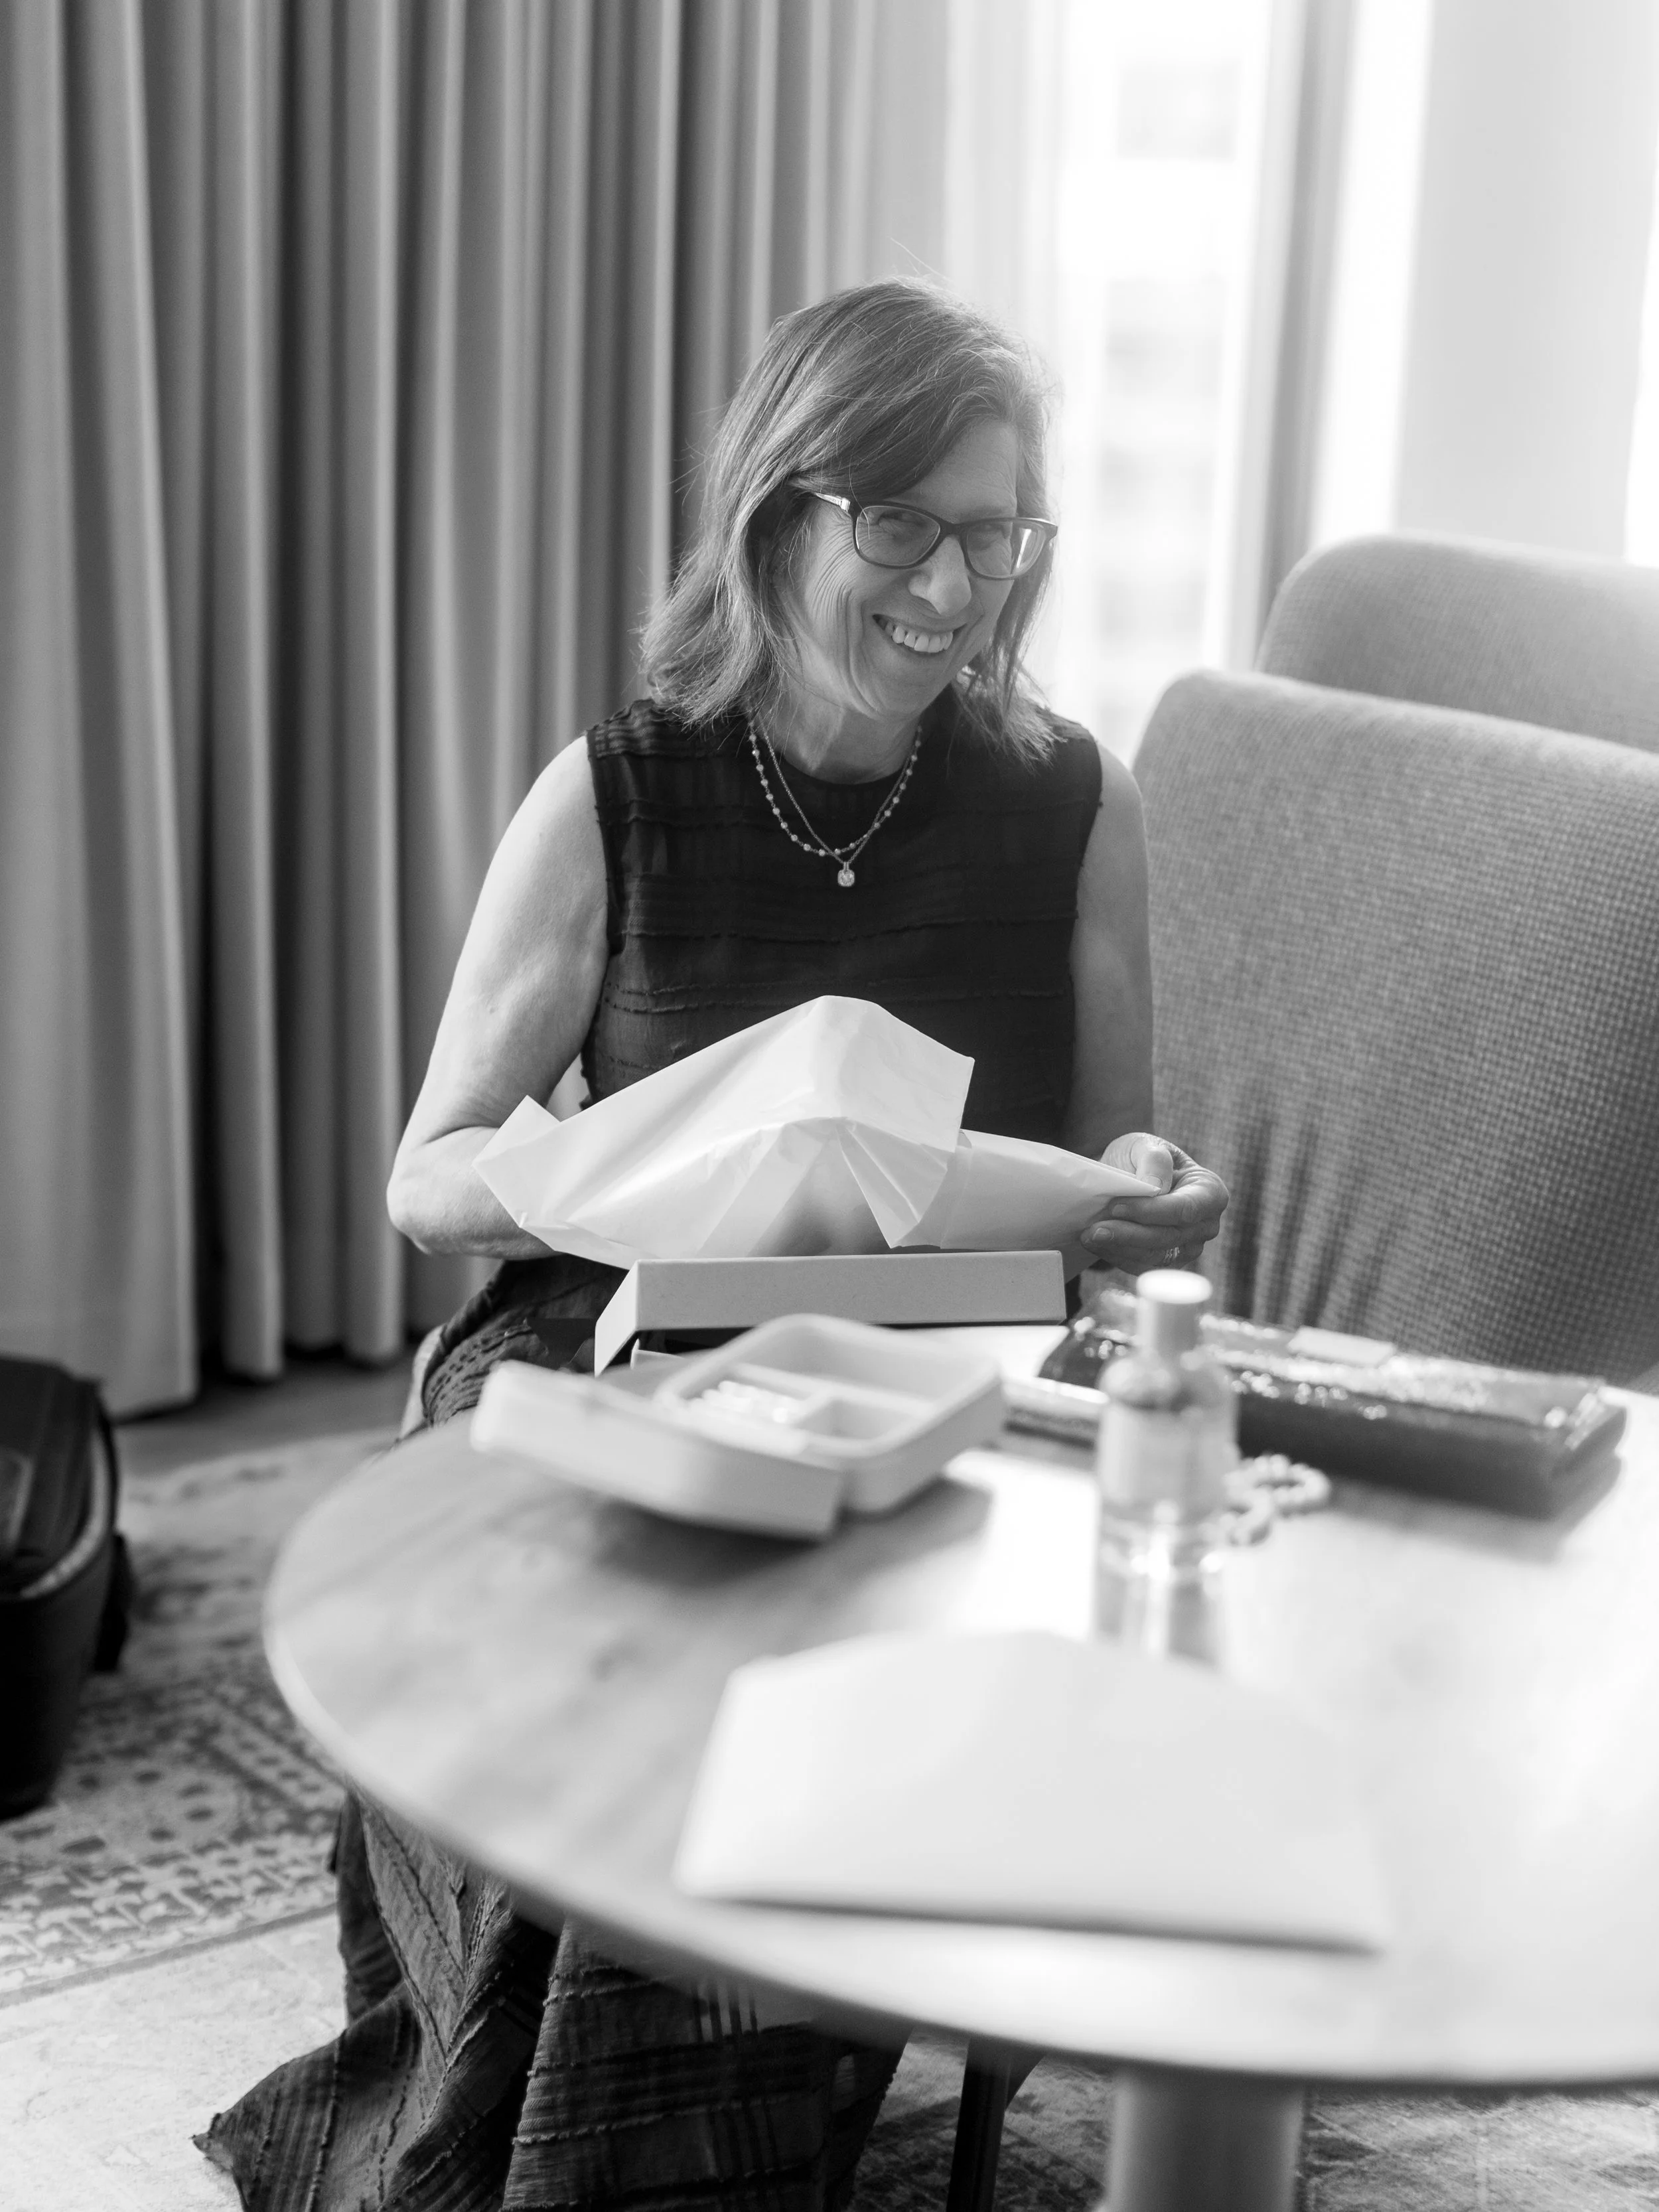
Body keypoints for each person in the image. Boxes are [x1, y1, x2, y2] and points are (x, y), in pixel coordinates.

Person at [204, 277, 1227, 2211]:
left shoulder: (1075, 800)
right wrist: (648, 1165)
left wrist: (1146, 1184)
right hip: (615, 1334)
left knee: (760, 1693)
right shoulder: (617, 790)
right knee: (623, 1685)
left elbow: (1110, 1166)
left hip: (936, 1360)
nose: (952, 585)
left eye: (992, 532)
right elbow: (427, 1176)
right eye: (901, 524)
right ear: (780, 514)